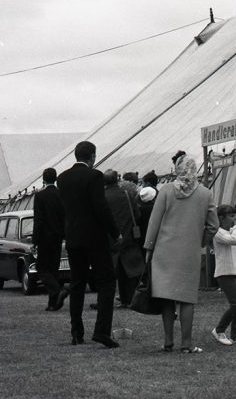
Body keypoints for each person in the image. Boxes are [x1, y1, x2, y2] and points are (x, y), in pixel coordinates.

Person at [143, 155, 219, 354]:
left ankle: (168, 342)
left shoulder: (166, 191)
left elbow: (154, 222)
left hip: (163, 251)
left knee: (166, 297)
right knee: (187, 298)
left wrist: (149, 248)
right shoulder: (205, 193)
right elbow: (213, 226)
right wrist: (199, 240)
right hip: (189, 252)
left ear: (177, 169)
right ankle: (186, 344)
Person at [56, 142, 120, 348]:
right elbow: (101, 207)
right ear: (92, 156)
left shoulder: (62, 178)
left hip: (74, 238)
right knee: (107, 282)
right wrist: (115, 233)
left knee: (77, 283)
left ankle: (76, 332)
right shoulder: (95, 176)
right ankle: (102, 331)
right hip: (95, 238)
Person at [210, 204, 236, 346]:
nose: (234, 219)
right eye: (231, 216)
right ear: (221, 218)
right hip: (225, 272)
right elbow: (234, 240)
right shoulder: (218, 232)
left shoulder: (231, 231)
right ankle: (219, 330)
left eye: (235, 216)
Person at [104, 169, 144, 308]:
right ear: (117, 179)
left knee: (114, 269)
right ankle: (130, 298)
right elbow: (137, 214)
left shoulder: (103, 196)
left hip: (110, 238)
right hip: (128, 235)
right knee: (130, 269)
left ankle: (120, 298)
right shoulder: (126, 195)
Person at [32, 167, 67, 311]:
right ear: (56, 178)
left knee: (41, 268)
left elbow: (38, 220)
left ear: (43, 180)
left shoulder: (40, 196)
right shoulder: (61, 195)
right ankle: (53, 303)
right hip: (58, 237)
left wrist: (35, 240)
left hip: (45, 238)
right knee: (53, 269)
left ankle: (57, 290)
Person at [137, 171, 159, 242]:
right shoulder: (160, 195)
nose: (142, 186)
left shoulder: (140, 198)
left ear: (148, 183)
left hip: (145, 233)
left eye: (143, 183)